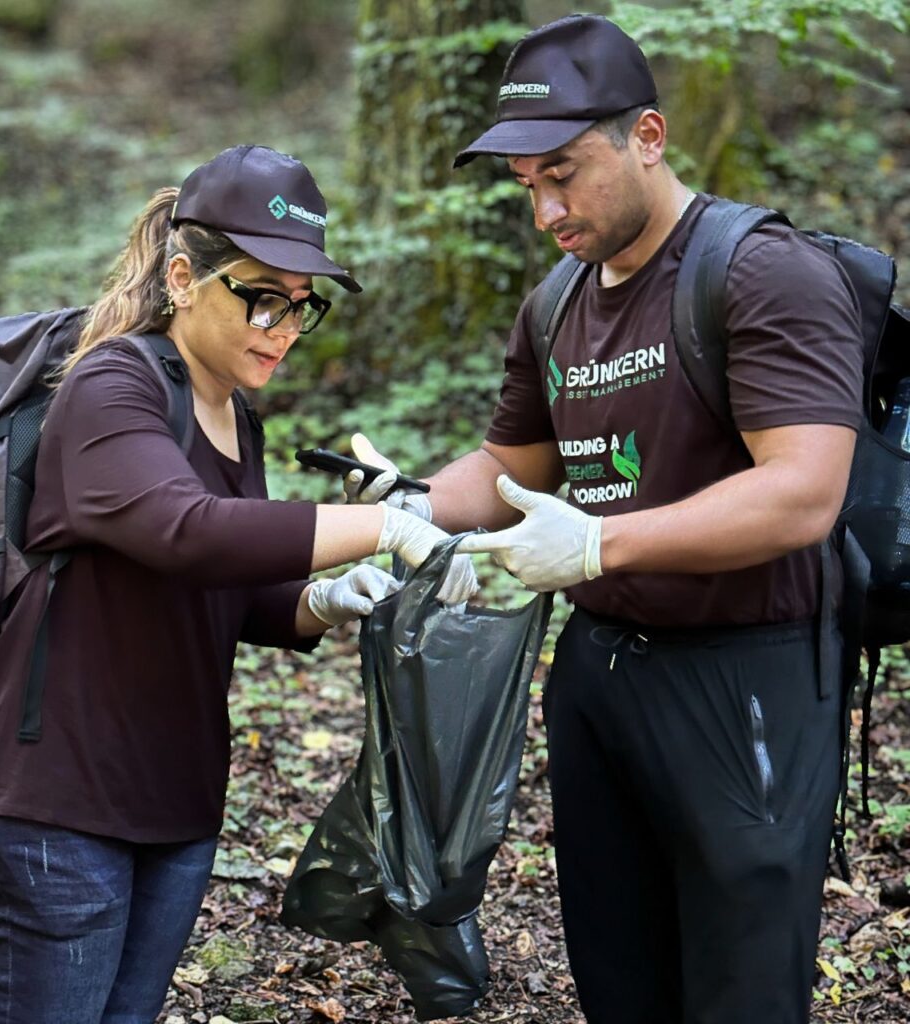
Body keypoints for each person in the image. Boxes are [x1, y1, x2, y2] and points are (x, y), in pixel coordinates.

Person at [345, 15, 864, 1024]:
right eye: (526, 185)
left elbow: (803, 489)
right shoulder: (555, 303)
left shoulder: (762, 271)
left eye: (564, 173)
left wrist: (596, 541)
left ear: (649, 137)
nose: (546, 208)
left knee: (743, 986)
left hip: (744, 671)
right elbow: (510, 467)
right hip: (599, 677)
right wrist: (401, 503)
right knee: (619, 976)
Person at [0, 144, 477, 1024]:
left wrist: (318, 599)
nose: (284, 327)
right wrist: (386, 524)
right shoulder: (112, 385)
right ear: (183, 277)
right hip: (51, 801)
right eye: (261, 296)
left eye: (304, 306)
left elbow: (224, 582)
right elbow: (183, 529)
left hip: (169, 802)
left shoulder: (231, 412)